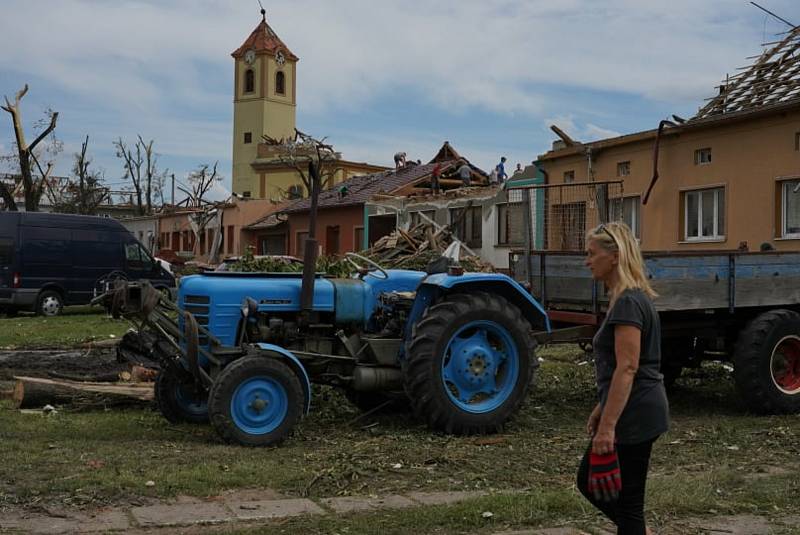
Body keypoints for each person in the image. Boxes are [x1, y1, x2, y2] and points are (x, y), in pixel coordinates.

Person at [578, 221, 669, 535]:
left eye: (592, 253)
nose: (587, 261)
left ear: (614, 256)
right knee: (597, 485)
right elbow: (626, 365)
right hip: (636, 407)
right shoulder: (627, 297)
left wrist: (608, 427)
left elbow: (628, 368)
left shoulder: (629, 301)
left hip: (636, 412)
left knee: (625, 503)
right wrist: (600, 407)